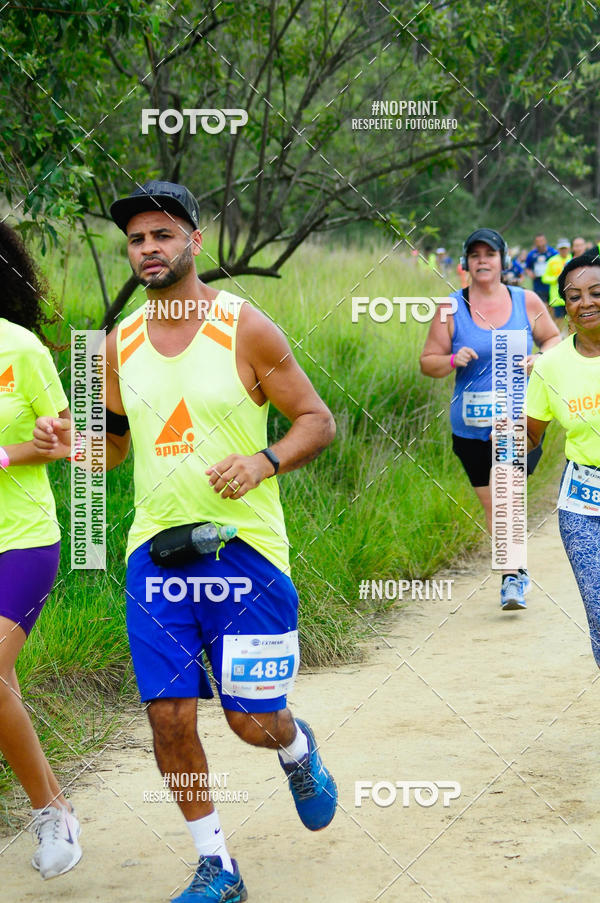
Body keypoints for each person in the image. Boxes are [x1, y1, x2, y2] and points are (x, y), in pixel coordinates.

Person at [34, 181, 337, 903]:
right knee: (168, 713)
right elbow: (110, 450)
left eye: (162, 235)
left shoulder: (246, 327)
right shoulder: (117, 344)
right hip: (156, 553)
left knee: (249, 719)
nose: (148, 249)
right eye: (137, 239)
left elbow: (316, 421)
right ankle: (217, 866)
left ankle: (295, 747)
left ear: (194, 242)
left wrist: (262, 461)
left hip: (245, 551)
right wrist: (64, 443)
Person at [420, 228, 561, 610]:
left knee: (507, 497)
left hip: (517, 421)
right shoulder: (450, 308)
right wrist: (452, 359)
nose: (483, 260)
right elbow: (428, 362)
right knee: (493, 505)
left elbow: (553, 339)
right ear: (465, 264)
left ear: (502, 261)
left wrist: (540, 359)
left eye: (490, 254)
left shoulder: (526, 301)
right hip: (469, 426)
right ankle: (516, 569)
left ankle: (511, 577)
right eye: (475, 255)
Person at [0, 223, 81, 879]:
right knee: (3, 688)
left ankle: (53, 813)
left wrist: (6, 452)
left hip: (22, 540)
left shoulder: (20, 348)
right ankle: (52, 803)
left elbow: (64, 441)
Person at [526, 246, 600, 664]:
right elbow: (532, 435)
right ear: (565, 307)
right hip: (584, 505)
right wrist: (508, 439)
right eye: (574, 296)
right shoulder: (550, 366)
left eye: (596, 292)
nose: (585, 302)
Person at [541, 238, 572, 324]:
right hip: (557, 298)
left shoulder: (573, 259)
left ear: (569, 248)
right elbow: (544, 278)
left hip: (571, 297)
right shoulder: (552, 261)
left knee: (572, 323)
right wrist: (556, 279)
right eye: (561, 248)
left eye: (565, 248)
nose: (563, 250)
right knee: (559, 323)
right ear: (558, 249)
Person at [525, 233, 557, 304]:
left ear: (545, 241)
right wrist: (530, 273)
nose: (540, 244)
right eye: (538, 242)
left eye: (542, 241)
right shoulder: (531, 254)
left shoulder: (553, 252)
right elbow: (527, 267)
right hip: (538, 285)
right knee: (542, 306)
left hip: (551, 285)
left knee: (552, 306)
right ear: (535, 243)